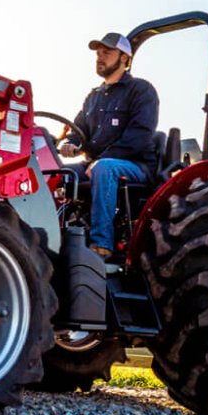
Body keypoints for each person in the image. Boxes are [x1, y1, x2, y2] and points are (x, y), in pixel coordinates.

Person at [58, 31, 160, 259]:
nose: (100, 57)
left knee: (104, 168)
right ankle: (53, 234)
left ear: (124, 58)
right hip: (96, 164)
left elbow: (140, 136)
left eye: (107, 52)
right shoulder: (93, 97)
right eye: (98, 53)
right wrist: (69, 143)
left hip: (136, 166)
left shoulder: (141, 91)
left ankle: (101, 245)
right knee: (58, 172)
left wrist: (100, 160)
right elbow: (78, 130)